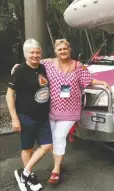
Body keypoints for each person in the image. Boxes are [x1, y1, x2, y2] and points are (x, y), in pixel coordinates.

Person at [11, 38, 111, 184]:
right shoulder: (48, 64)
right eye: (59, 49)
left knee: (58, 137)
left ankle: (56, 169)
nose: (62, 51)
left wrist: (102, 82)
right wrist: (19, 67)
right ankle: (45, 166)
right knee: (51, 141)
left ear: (69, 50)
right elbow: (32, 63)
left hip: (70, 111)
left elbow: (88, 81)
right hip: (51, 110)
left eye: (65, 49)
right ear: (55, 51)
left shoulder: (79, 66)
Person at [6, 38, 53, 191]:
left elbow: (58, 61)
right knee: (28, 148)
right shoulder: (20, 71)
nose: (35, 55)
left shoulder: (43, 68)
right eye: (31, 52)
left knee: (47, 145)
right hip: (26, 116)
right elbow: (9, 96)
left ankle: (25, 173)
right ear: (26, 54)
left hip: (43, 116)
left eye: (37, 52)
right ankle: (30, 175)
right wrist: (14, 118)